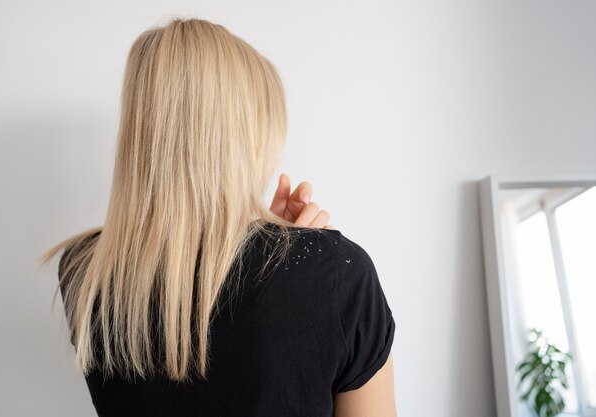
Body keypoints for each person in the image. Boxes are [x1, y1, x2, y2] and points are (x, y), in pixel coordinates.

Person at [37, 17, 396, 417]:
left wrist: (281, 251)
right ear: (245, 140)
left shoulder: (85, 273)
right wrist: (300, 260)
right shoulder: (338, 276)